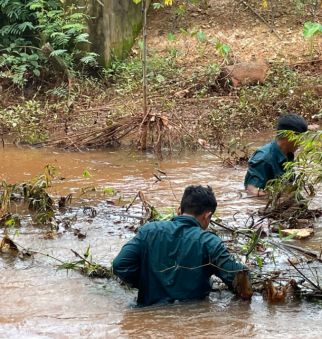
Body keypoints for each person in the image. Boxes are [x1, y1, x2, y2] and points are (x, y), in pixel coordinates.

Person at [113, 185, 249, 307]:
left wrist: (147, 283)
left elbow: (120, 265)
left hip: (149, 312)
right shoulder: (209, 242)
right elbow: (241, 281)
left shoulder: (148, 230)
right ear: (207, 216)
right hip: (191, 318)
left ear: (179, 210)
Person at [244, 113, 308, 193]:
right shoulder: (264, 158)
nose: (302, 142)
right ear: (289, 136)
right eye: (300, 138)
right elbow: (252, 191)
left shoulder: (288, 154)